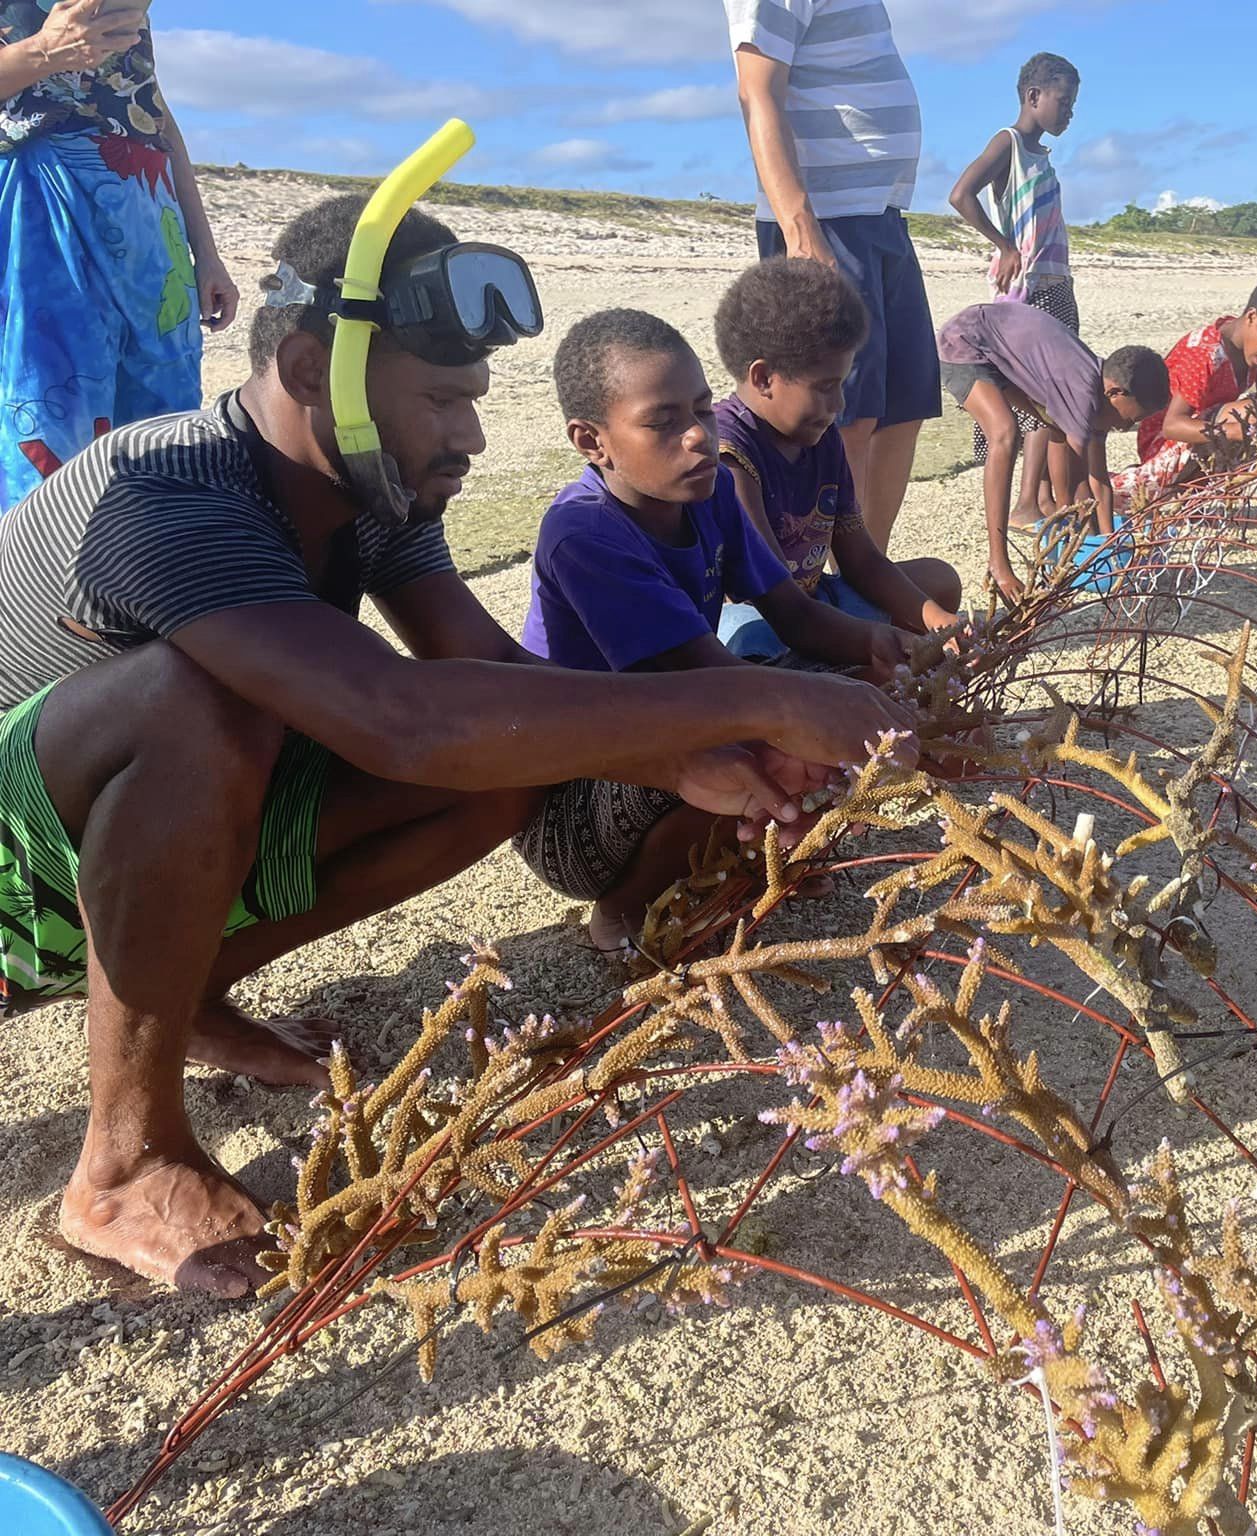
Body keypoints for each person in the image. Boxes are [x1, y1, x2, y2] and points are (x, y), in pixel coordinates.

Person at [0, 196, 912, 1297]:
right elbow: (401, 716)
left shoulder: (370, 487)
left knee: (498, 780)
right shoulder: (169, 487)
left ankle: (184, 996)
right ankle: (123, 1163)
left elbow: (490, 685)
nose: (471, 436)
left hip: (109, 857)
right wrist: (748, 705)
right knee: (194, 698)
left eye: (472, 399)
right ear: (306, 368)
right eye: (441, 400)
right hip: (21, 870)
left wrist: (675, 761)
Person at [520, 307, 927, 952]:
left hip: (685, 705)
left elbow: (794, 614)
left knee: (830, 685)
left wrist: (889, 651)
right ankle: (621, 910)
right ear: (592, 443)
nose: (698, 437)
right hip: (582, 793)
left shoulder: (708, 497)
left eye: (704, 411)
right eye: (662, 422)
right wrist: (833, 712)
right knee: (756, 728)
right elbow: (706, 678)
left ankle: (748, 860)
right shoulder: (585, 533)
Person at [0, 0, 238, 511]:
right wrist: (42, 52)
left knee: (163, 438)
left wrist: (205, 250)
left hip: (150, 211)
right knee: (50, 423)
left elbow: (152, 109)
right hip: (44, 206)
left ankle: (155, 580)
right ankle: (41, 583)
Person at [726, 0, 939, 556]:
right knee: (845, 415)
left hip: (882, 216)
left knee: (903, 408)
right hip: (828, 219)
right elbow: (757, 90)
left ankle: (870, 580)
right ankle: (820, 588)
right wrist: (801, 230)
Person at [710, 258, 962, 665]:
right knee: (748, 644)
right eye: (826, 387)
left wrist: (938, 621)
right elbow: (776, 597)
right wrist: (872, 640)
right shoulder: (730, 456)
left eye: (841, 384)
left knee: (938, 582)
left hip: (815, 601)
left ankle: (845, 674)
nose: (840, 404)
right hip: (765, 617)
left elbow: (861, 559)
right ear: (763, 378)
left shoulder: (821, 437)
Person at [935, 301, 1168, 601]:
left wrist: (1111, 551)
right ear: (1116, 393)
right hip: (966, 341)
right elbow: (1076, 486)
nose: (1126, 428)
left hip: (1003, 351)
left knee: (1053, 427)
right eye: (1131, 419)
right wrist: (1082, 536)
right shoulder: (1082, 392)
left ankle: (1059, 556)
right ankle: (998, 565)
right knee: (1005, 432)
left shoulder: (1101, 394)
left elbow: (1100, 481)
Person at [949, 50, 1082, 523]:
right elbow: (960, 194)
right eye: (1063, 101)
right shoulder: (1008, 143)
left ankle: (1042, 495)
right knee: (1048, 394)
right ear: (1033, 96)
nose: (1069, 112)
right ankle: (1028, 501)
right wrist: (1004, 245)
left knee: (1048, 392)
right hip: (1032, 289)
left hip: (1054, 283)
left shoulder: (1038, 155)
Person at [1116, 278, 1257, 531]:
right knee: (1253, 415)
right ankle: (1189, 494)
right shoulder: (1206, 354)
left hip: (1211, 431)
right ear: (1251, 317)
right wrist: (1234, 431)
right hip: (1166, 445)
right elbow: (1171, 426)